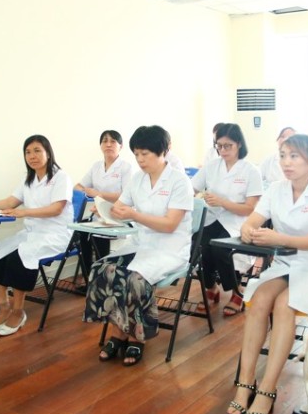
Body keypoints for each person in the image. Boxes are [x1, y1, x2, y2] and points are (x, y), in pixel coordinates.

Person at [230, 133, 308, 414]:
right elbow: (252, 220)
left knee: (284, 305)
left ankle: (267, 389)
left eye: (294, 156)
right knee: (258, 301)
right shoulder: (276, 190)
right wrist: (248, 230)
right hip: (285, 264)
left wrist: (276, 237)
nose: (287, 162)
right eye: (282, 155)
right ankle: (245, 383)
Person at [84, 125, 194, 366]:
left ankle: (137, 337)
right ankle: (119, 331)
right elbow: (121, 209)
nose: (140, 159)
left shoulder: (179, 181)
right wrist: (105, 209)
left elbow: (169, 225)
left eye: (146, 153)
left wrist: (133, 214)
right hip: (141, 244)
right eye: (136, 154)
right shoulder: (137, 179)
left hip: (170, 249)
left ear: (163, 151)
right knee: (102, 268)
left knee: (134, 278)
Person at [0, 135, 73, 337]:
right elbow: (11, 201)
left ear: (48, 153)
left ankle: (18, 312)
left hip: (55, 235)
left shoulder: (61, 177)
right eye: (28, 152)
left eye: (37, 151)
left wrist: (24, 212)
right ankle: (4, 307)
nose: (32, 156)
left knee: (19, 260)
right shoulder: (28, 179)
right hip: (32, 232)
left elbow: (56, 209)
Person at [191, 122, 263, 316]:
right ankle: (211, 287)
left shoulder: (250, 171)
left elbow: (249, 209)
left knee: (219, 248)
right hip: (212, 218)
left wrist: (222, 202)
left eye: (227, 146)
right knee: (198, 246)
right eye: (219, 146)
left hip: (237, 222)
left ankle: (236, 293)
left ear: (239, 144)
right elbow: (191, 188)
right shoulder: (211, 166)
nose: (222, 150)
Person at [73, 130, 135, 288]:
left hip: (117, 214)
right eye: (104, 141)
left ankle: (103, 282)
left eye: (113, 141)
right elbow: (79, 186)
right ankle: (89, 278)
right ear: (100, 145)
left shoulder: (126, 167)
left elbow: (125, 194)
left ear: (120, 146)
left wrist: (98, 194)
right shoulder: (96, 166)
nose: (108, 144)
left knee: (98, 236)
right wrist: (92, 193)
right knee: (81, 233)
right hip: (98, 213)